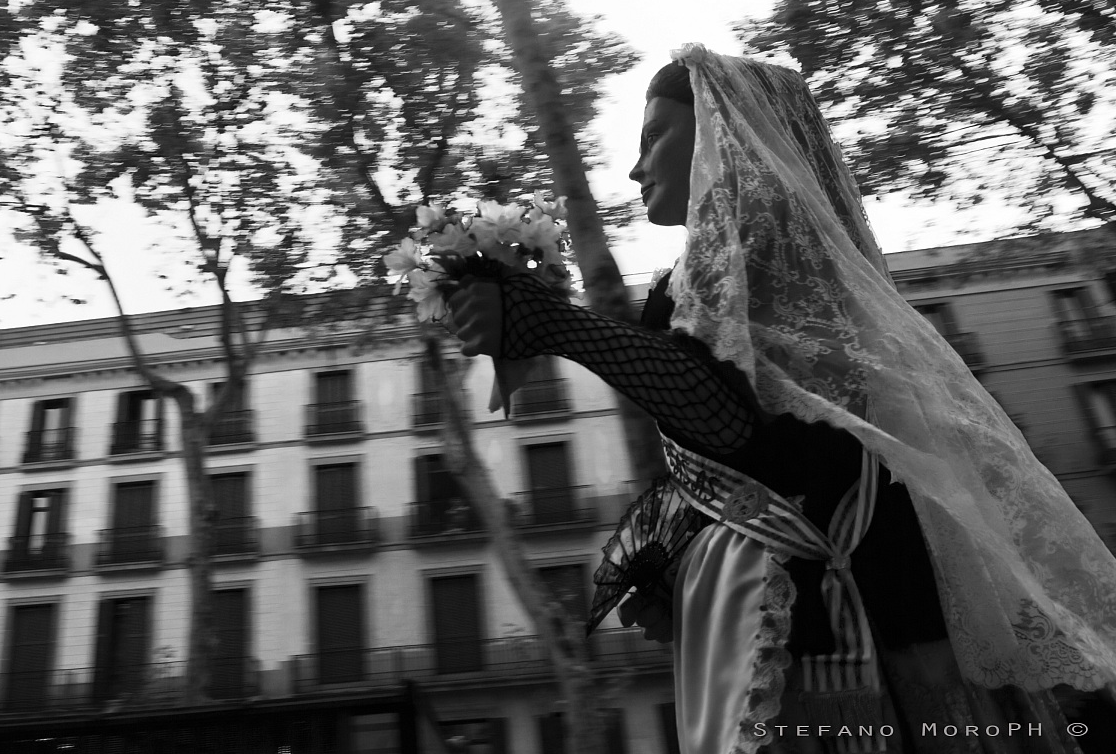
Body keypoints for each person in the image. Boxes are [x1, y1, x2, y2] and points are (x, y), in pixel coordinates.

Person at [447, 44, 1116, 754]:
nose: (637, 167)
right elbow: (726, 463)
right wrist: (674, 568)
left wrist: (553, 324)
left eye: (655, 139)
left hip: (835, 610)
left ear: (724, 137)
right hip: (759, 598)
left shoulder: (781, 256)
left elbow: (737, 424)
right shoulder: (693, 278)